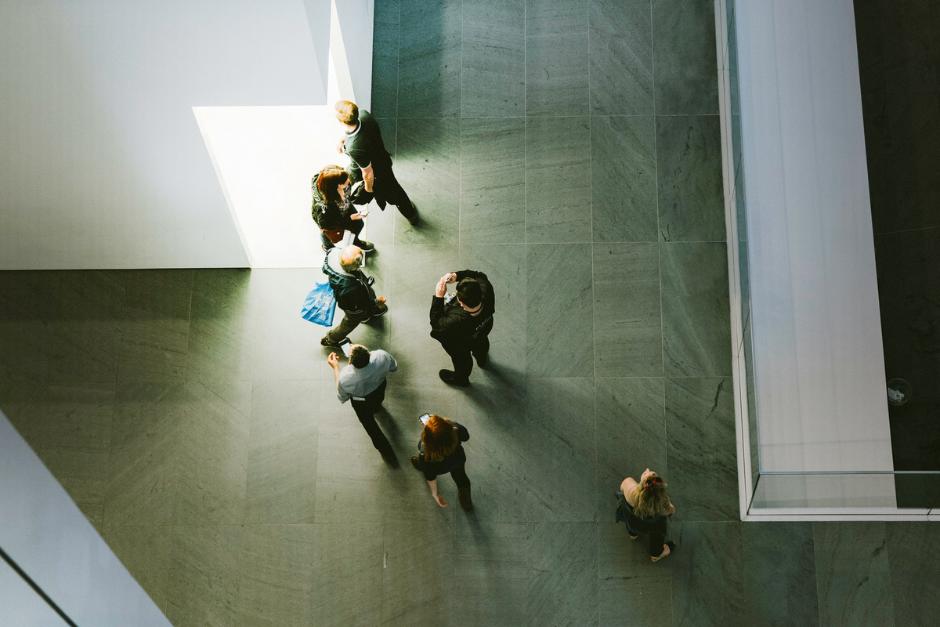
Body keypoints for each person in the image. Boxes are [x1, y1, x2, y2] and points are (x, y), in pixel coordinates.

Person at [334, 99, 420, 225]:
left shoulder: (354, 148)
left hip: (376, 170)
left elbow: (368, 174)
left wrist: (369, 189)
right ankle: (409, 211)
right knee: (394, 189)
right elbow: (355, 131)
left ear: (341, 121)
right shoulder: (364, 115)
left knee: (394, 192)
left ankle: (411, 215)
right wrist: (343, 140)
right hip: (381, 158)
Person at [326, 345, 398, 465]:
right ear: (368, 353)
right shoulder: (381, 355)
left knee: (369, 424)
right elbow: (394, 367)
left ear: (350, 361)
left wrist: (335, 367)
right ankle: (377, 407)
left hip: (361, 402)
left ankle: (385, 449)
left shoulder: (346, 377)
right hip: (379, 388)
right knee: (378, 401)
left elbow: (342, 397)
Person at [429, 270, 495, 386]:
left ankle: (461, 379)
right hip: (483, 328)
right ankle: (481, 359)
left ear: (462, 303)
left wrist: (439, 297)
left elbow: (437, 325)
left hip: (461, 343)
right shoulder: (486, 289)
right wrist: (457, 275)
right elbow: (479, 275)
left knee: (462, 360)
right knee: (481, 343)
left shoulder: (455, 321)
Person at [321, 244, 387, 347]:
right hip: (355, 309)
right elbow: (359, 304)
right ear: (354, 267)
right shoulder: (351, 288)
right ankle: (331, 339)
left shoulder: (334, 254)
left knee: (364, 309)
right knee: (349, 323)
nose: (361, 263)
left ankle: (367, 314)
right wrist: (376, 303)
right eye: (360, 261)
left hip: (356, 294)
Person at [411, 415, 473, 511]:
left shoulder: (425, 452)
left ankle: (419, 465)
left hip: (437, 468)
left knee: (425, 467)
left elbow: (431, 477)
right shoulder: (455, 431)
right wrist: (451, 424)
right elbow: (466, 436)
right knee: (461, 478)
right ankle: (466, 501)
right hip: (457, 460)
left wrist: (435, 494)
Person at [616, 468, 677, 562]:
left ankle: (633, 534)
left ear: (643, 484)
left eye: (646, 472)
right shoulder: (663, 503)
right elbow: (671, 511)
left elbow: (622, 487)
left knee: (630, 521)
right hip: (653, 525)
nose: (647, 469)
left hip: (633, 521)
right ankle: (656, 554)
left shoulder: (630, 490)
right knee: (657, 535)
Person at [311, 165, 373, 252]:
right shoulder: (324, 208)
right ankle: (328, 247)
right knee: (328, 234)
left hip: (344, 207)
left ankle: (354, 241)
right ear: (337, 185)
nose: (349, 180)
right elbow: (328, 225)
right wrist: (351, 218)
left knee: (358, 224)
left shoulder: (336, 181)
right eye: (345, 181)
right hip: (331, 220)